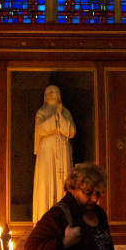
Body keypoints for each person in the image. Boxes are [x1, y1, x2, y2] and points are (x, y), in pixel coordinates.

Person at [32, 85, 76, 223]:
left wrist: (60, 117)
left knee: (63, 182)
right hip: (47, 152)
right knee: (46, 181)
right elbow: (41, 129)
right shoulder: (41, 112)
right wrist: (54, 119)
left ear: (59, 95)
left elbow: (71, 131)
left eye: (54, 92)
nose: (50, 94)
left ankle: (64, 219)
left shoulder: (65, 112)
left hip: (62, 149)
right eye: (48, 92)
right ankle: (44, 219)